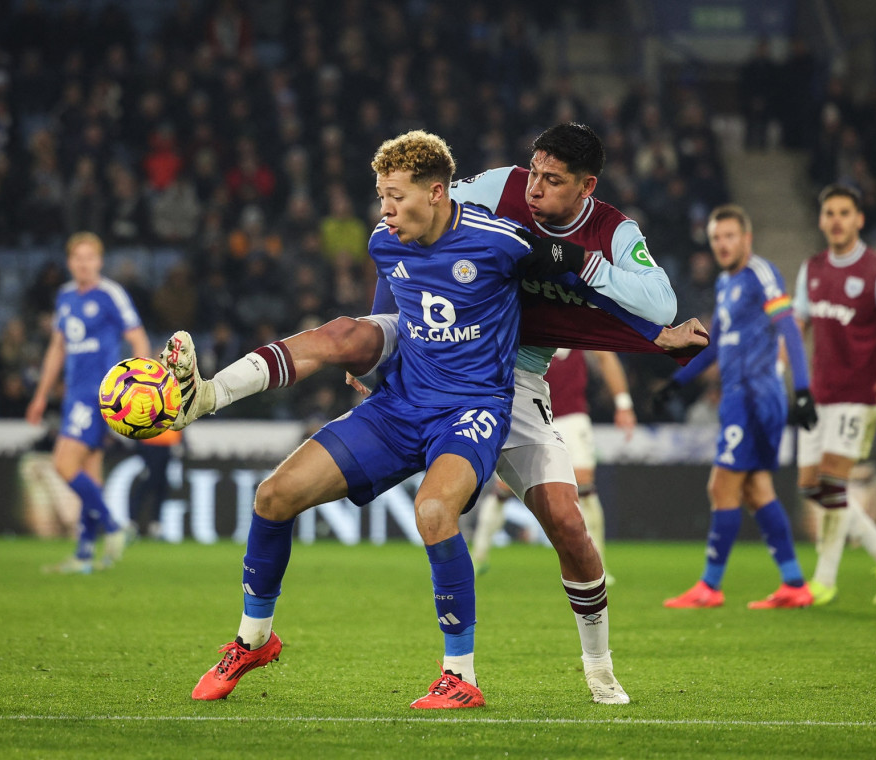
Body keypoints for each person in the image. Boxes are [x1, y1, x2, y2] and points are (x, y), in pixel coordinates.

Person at [166, 123, 708, 705]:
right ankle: (207, 401)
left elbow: (644, 302)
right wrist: (375, 351)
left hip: (505, 384)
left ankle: (594, 669)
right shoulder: (487, 193)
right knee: (322, 384)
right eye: (534, 172)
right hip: (420, 362)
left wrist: (646, 327)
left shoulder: (592, 234)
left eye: (552, 180)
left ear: (586, 186)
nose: (534, 188)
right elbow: (403, 253)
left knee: (566, 525)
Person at [661, 204, 818, 609]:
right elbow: (717, 346)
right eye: (716, 238)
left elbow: (789, 327)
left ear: (747, 239)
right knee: (756, 489)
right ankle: (794, 583)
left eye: (730, 236)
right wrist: (677, 383)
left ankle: (709, 586)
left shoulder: (760, 273)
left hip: (753, 395)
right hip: (740, 395)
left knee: (722, 485)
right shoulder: (725, 283)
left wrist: (802, 389)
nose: (723, 244)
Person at [792, 184, 876, 606]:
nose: (837, 220)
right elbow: (799, 324)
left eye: (844, 212)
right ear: (821, 219)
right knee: (812, 487)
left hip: (859, 394)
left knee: (831, 481)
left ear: (859, 219)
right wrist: (786, 369)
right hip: (819, 394)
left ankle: (824, 580)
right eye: (830, 213)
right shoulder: (811, 269)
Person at [26, 231, 151, 573]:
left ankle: (113, 526)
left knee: (63, 464)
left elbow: (138, 338)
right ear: (70, 262)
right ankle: (84, 555)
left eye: (89, 258)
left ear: (100, 261)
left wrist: (137, 386)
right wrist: (41, 395)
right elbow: (57, 347)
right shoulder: (65, 296)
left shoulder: (111, 294)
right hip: (73, 394)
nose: (83, 264)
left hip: (98, 395)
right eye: (77, 258)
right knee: (90, 472)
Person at [469, 349, 635, 582]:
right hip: (527, 412)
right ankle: (478, 556)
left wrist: (623, 403)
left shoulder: (576, 327)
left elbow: (605, 356)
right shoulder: (519, 325)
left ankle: (599, 565)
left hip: (570, 415)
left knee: (584, 486)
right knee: (503, 489)